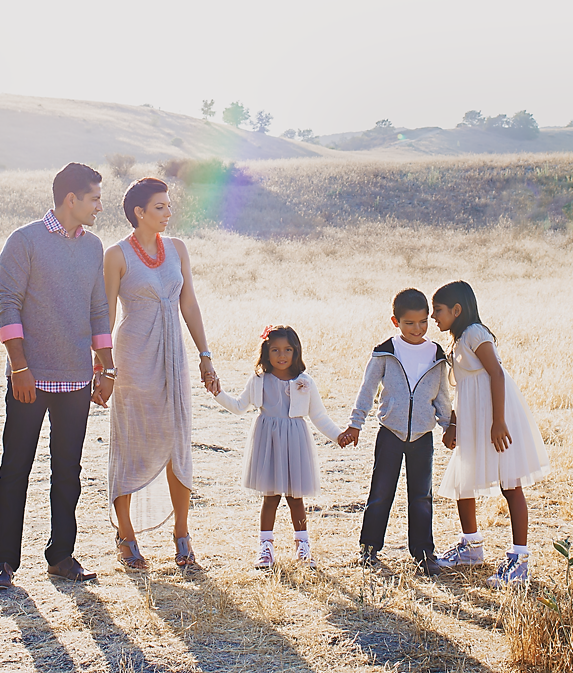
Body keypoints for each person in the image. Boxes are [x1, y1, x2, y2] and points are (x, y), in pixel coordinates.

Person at [0, 163, 115, 589]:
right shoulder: (25, 241)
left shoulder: (93, 246)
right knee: (15, 468)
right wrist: (19, 368)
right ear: (71, 199)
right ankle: (3, 562)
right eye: (94, 198)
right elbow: (8, 305)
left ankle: (61, 556)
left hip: (76, 378)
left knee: (68, 470)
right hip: (30, 378)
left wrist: (106, 366)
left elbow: (99, 308)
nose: (100, 205)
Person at [105, 177, 220, 570]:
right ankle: (125, 534)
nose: (169, 213)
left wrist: (205, 356)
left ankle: (182, 535)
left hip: (175, 355)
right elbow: (105, 314)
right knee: (131, 438)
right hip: (134, 357)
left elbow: (189, 303)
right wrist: (104, 366)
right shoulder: (116, 255)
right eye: (160, 207)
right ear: (139, 212)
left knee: (178, 439)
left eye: (169, 206)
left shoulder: (177, 249)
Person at [431, 279, 550, 587]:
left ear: (457, 310)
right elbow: (463, 389)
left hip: (497, 416)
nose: (434, 318)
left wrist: (498, 422)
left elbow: (496, 374)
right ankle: (471, 546)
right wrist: (454, 424)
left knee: (510, 483)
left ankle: (520, 559)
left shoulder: (475, 334)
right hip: (473, 417)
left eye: (438, 311)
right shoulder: (457, 342)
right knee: (462, 480)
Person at [338, 288, 455, 574]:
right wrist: (356, 424)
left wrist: (448, 425)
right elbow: (367, 390)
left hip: (422, 437)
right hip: (390, 432)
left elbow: (441, 397)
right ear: (396, 322)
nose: (417, 329)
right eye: (409, 323)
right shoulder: (384, 352)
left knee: (422, 496)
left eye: (423, 322)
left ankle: (424, 554)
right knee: (381, 492)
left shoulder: (436, 355)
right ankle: (369, 549)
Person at [213, 325, 341, 568]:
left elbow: (319, 416)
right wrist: (218, 393)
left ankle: (302, 547)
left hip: (295, 442)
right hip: (268, 442)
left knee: (295, 498)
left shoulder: (304, 382)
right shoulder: (259, 380)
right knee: (270, 498)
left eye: (288, 349)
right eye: (275, 350)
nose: (282, 355)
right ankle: (265, 547)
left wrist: (339, 436)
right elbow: (240, 406)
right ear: (266, 352)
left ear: (296, 352)